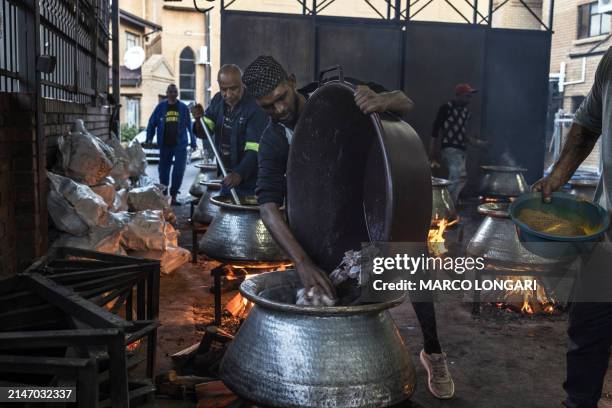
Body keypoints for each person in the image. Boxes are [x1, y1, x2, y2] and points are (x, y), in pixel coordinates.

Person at [243, 55, 455, 400]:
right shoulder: (274, 140)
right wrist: (303, 262)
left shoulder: (335, 96)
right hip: (331, 221)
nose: (280, 109)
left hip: (376, 194)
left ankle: (433, 351)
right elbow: (268, 206)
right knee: (339, 285)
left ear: (293, 80)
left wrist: (382, 100)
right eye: (269, 106)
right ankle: (348, 367)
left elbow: (406, 101)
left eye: (282, 97)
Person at [533, 47, 612, 408]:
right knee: (588, 329)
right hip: (607, 232)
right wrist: (557, 176)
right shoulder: (611, 61)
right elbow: (589, 123)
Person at [198, 64, 268, 196]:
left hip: (252, 182)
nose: (228, 94)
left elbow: (254, 148)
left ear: (242, 83)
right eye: (224, 89)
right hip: (227, 177)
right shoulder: (218, 100)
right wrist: (198, 119)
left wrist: (239, 173)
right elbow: (204, 132)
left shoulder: (255, 107)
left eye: (233, 89)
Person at [146, 83, 197, 205]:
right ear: (167, 93)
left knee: (179, 170)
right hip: (165, 144)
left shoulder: (183, 108)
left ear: (177, 93)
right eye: (171, 91)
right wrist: (149, 138)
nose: (173, 94)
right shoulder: (160, 107)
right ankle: (164, 196)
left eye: (175, 92)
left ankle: (173, 196)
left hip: (180, 145)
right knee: (163, 170)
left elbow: (190, 126)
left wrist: (193, 141)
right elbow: (152, 123)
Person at [429, 84, 478, 205]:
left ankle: (451, 206)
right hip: (449, 148)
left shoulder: (466, 112)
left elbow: (464, 135)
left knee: (460, 178)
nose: (469, 99)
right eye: (467, 96)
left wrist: (479, 144)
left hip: (461, 150)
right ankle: (443, 204)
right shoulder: (447, 108)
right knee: (457, 176)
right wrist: (432, 152)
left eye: (470, 96)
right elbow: (435, 130)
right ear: (458, 95)